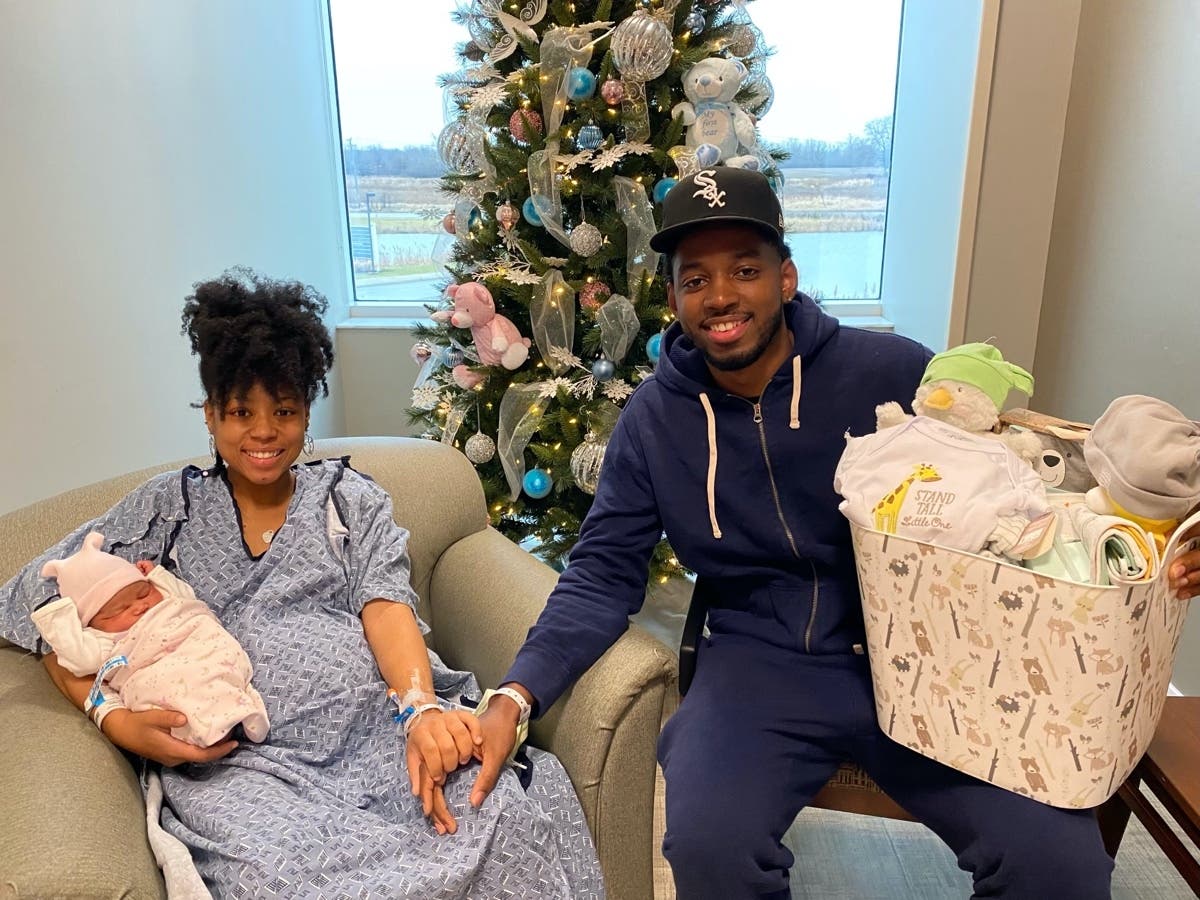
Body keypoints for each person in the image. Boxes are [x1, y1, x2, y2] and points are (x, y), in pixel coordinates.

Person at [469, 167, 1200, 898]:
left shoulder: (893, 371)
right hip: (757, 665)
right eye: (696, 279)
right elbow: (601, 574)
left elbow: (1029, 490)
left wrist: (1155, 545)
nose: (720, 296)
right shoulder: (654, 421)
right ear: (674, 298)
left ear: (785, 278)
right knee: (709, 845)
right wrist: (516, 696)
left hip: (928, 659)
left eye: (745, 270)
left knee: (1059, 863)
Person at [0, 269, 603, 899]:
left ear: (306, 412)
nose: (264, 431)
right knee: (276, 880)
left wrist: (421, 708)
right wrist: (108, 713)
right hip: (247, 765)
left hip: (375, 725)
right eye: (241, 412)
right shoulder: (166, 510)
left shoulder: (348, 498)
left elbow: (385, 604)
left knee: (498, 812)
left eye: (283, 411)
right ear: (210, 415)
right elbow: (28, 603)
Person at [33, 530, 271, 746]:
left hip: (198, 642)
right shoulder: (102, 639)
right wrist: (59, 620)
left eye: (143, 593)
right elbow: (78, 659)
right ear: (93, 624)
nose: (140, 606)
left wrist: (158, 575)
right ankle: (210, 725)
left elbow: (186, 597)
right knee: (173, 687)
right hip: (155, 673)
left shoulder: (166, 599)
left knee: (218, 661)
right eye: (119, 610)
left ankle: (239, 703)